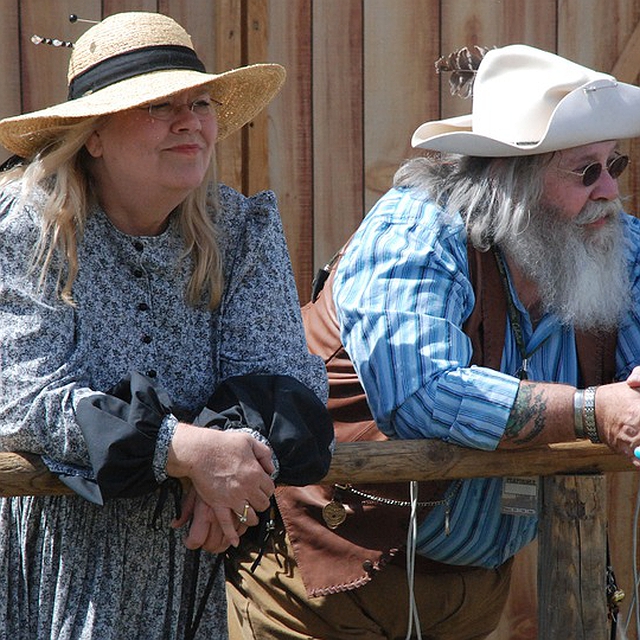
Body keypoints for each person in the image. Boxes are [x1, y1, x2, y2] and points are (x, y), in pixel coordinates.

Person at [225, 44, 640, 639]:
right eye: (585, 170)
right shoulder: (418, 228)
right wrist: (594, 410)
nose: (609, 190)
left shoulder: (609, 237)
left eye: (614, 165)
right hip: (322, 588)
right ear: (511, 180)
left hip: (472, 595)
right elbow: (423, 392)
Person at [0, 11, 333, 640]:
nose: (190, 122)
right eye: (158, 106)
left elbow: (293, 390)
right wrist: (184, 450)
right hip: (56, 565)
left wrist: (221, 458)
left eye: (199, 102)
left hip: (188, 561)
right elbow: (22, 400)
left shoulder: (239, 231)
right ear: (93, 136)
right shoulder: (30, 226)